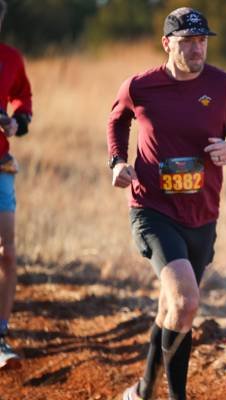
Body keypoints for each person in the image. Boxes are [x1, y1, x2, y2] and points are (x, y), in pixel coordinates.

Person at [106, 7, 226, 400]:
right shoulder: (140, 86)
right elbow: (117, 120)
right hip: (152, 209)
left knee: (171, 309)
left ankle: (143, 389)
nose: (197, 49)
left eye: (202, 41)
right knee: (186, 303)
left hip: (202, 214)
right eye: (187, 42)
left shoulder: (225, 85)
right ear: (167, 44)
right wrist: (117, 161)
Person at [0, 0, 33, 370]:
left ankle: (0, 334)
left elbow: (23, 97)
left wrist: (15, 121)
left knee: (6, 252)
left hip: (0, 164)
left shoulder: (10, 58)